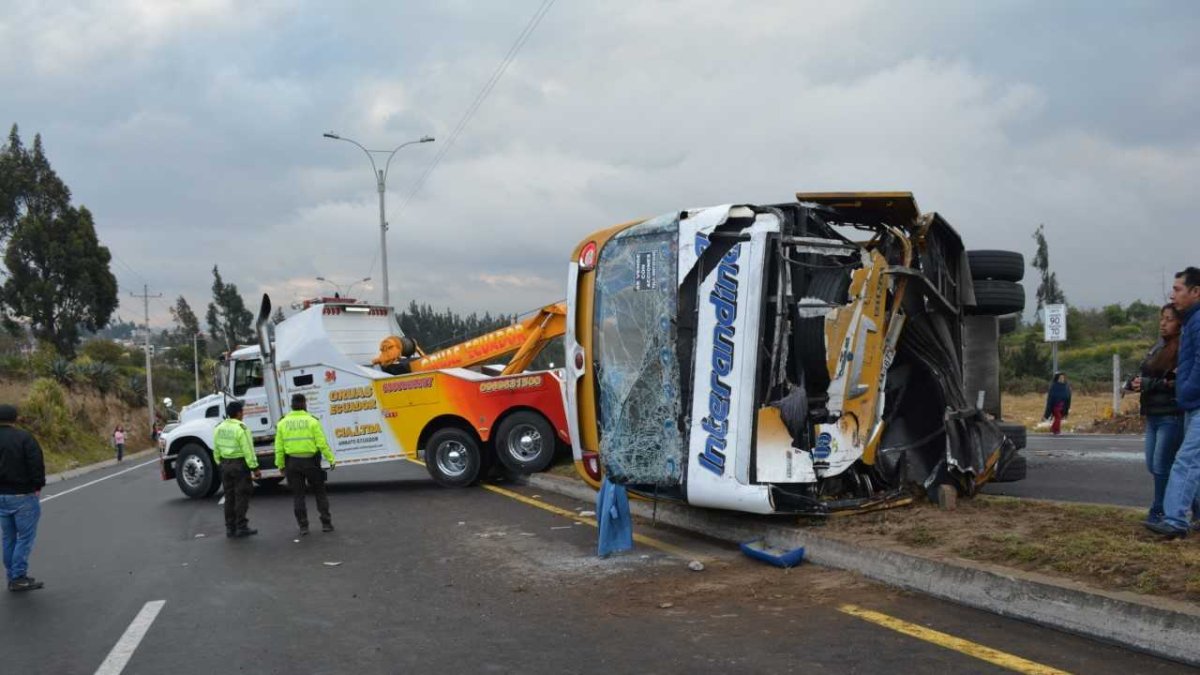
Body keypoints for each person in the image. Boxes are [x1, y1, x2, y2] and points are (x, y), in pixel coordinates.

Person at [1128, 305, 1198, 524]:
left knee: (1162, 465)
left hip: (1170, 413)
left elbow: (1176, 382)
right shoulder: (1158, 346)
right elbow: (1146, 373)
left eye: (1169, 319)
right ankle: (1194, 507)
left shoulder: (1182, 348)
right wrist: (1134, 382)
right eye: (1162, 318)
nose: (1163, 323)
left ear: (1179, 323)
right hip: (1153, 413)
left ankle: (1159, 510)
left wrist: (1150, 384)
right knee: (1153, 464)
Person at [274, 394, 336, 535]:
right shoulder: (312, 421)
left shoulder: (282, 423)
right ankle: (326, 524)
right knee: (320, 493)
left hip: (292, 464)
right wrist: (331, 459)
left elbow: (279, 448)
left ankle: (303, 527)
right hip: (311, 462)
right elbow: (322, 444)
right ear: (304, 404)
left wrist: (280, 465)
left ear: (292, 405)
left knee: (298, 496)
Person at [0, 404, 45, 591]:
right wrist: (37, 485)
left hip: (1, 495)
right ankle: (18, 576)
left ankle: (12, 576)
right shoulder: (24, 438)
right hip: (22, 494)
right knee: (25, 538)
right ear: (15, 418)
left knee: (8, 538)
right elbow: (35, 462)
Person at [213, 401, 260, 538]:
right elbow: (248, 450)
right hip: (239, 465)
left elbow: (216, 449)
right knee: (242, 496)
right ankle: (241, 526)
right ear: (239, 413)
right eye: (242, 412)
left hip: (224, 465)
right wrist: (254, 467)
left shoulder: (219, 428)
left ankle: (230, 528)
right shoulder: (241, 428)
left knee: (229, 497)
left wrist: (220, 463)